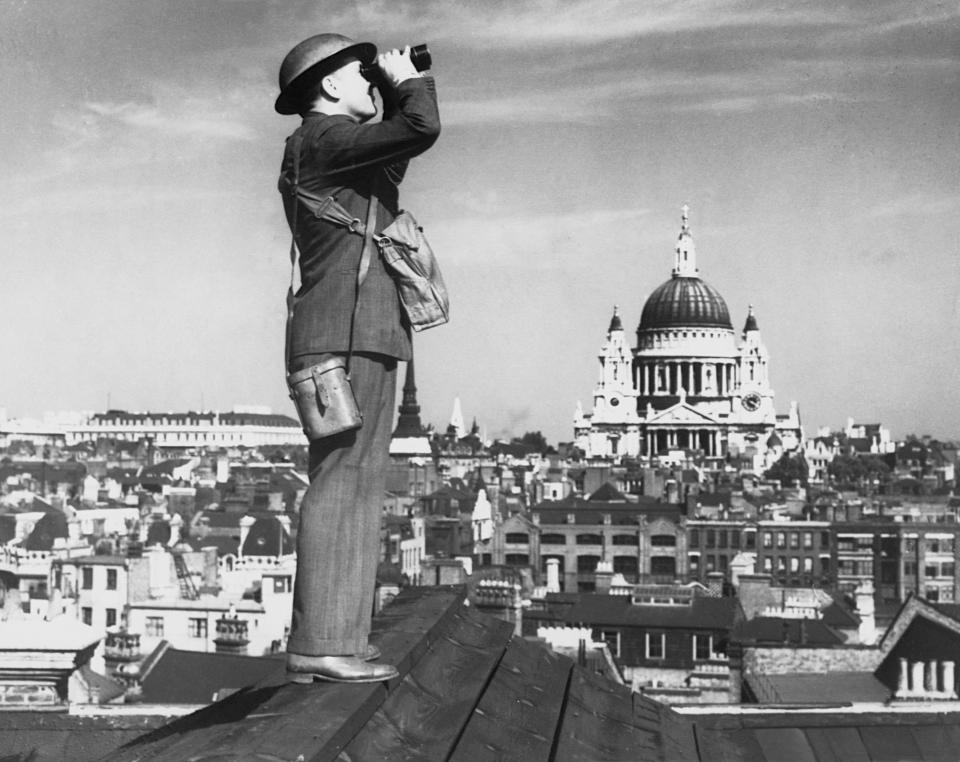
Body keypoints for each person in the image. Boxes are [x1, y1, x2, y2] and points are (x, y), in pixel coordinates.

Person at [274, 34, 440, 683]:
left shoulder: (332, 152)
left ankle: (339, 636)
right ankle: (320, 642)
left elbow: (395, 159)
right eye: (360, 73)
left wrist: (392, 93)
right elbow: (420, 126)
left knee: (359, 485)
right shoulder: (321, 139)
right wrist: (404, 85)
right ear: (331, 86)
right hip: (345, 335)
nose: (371, 81)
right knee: (342, 482)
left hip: (358, 330)